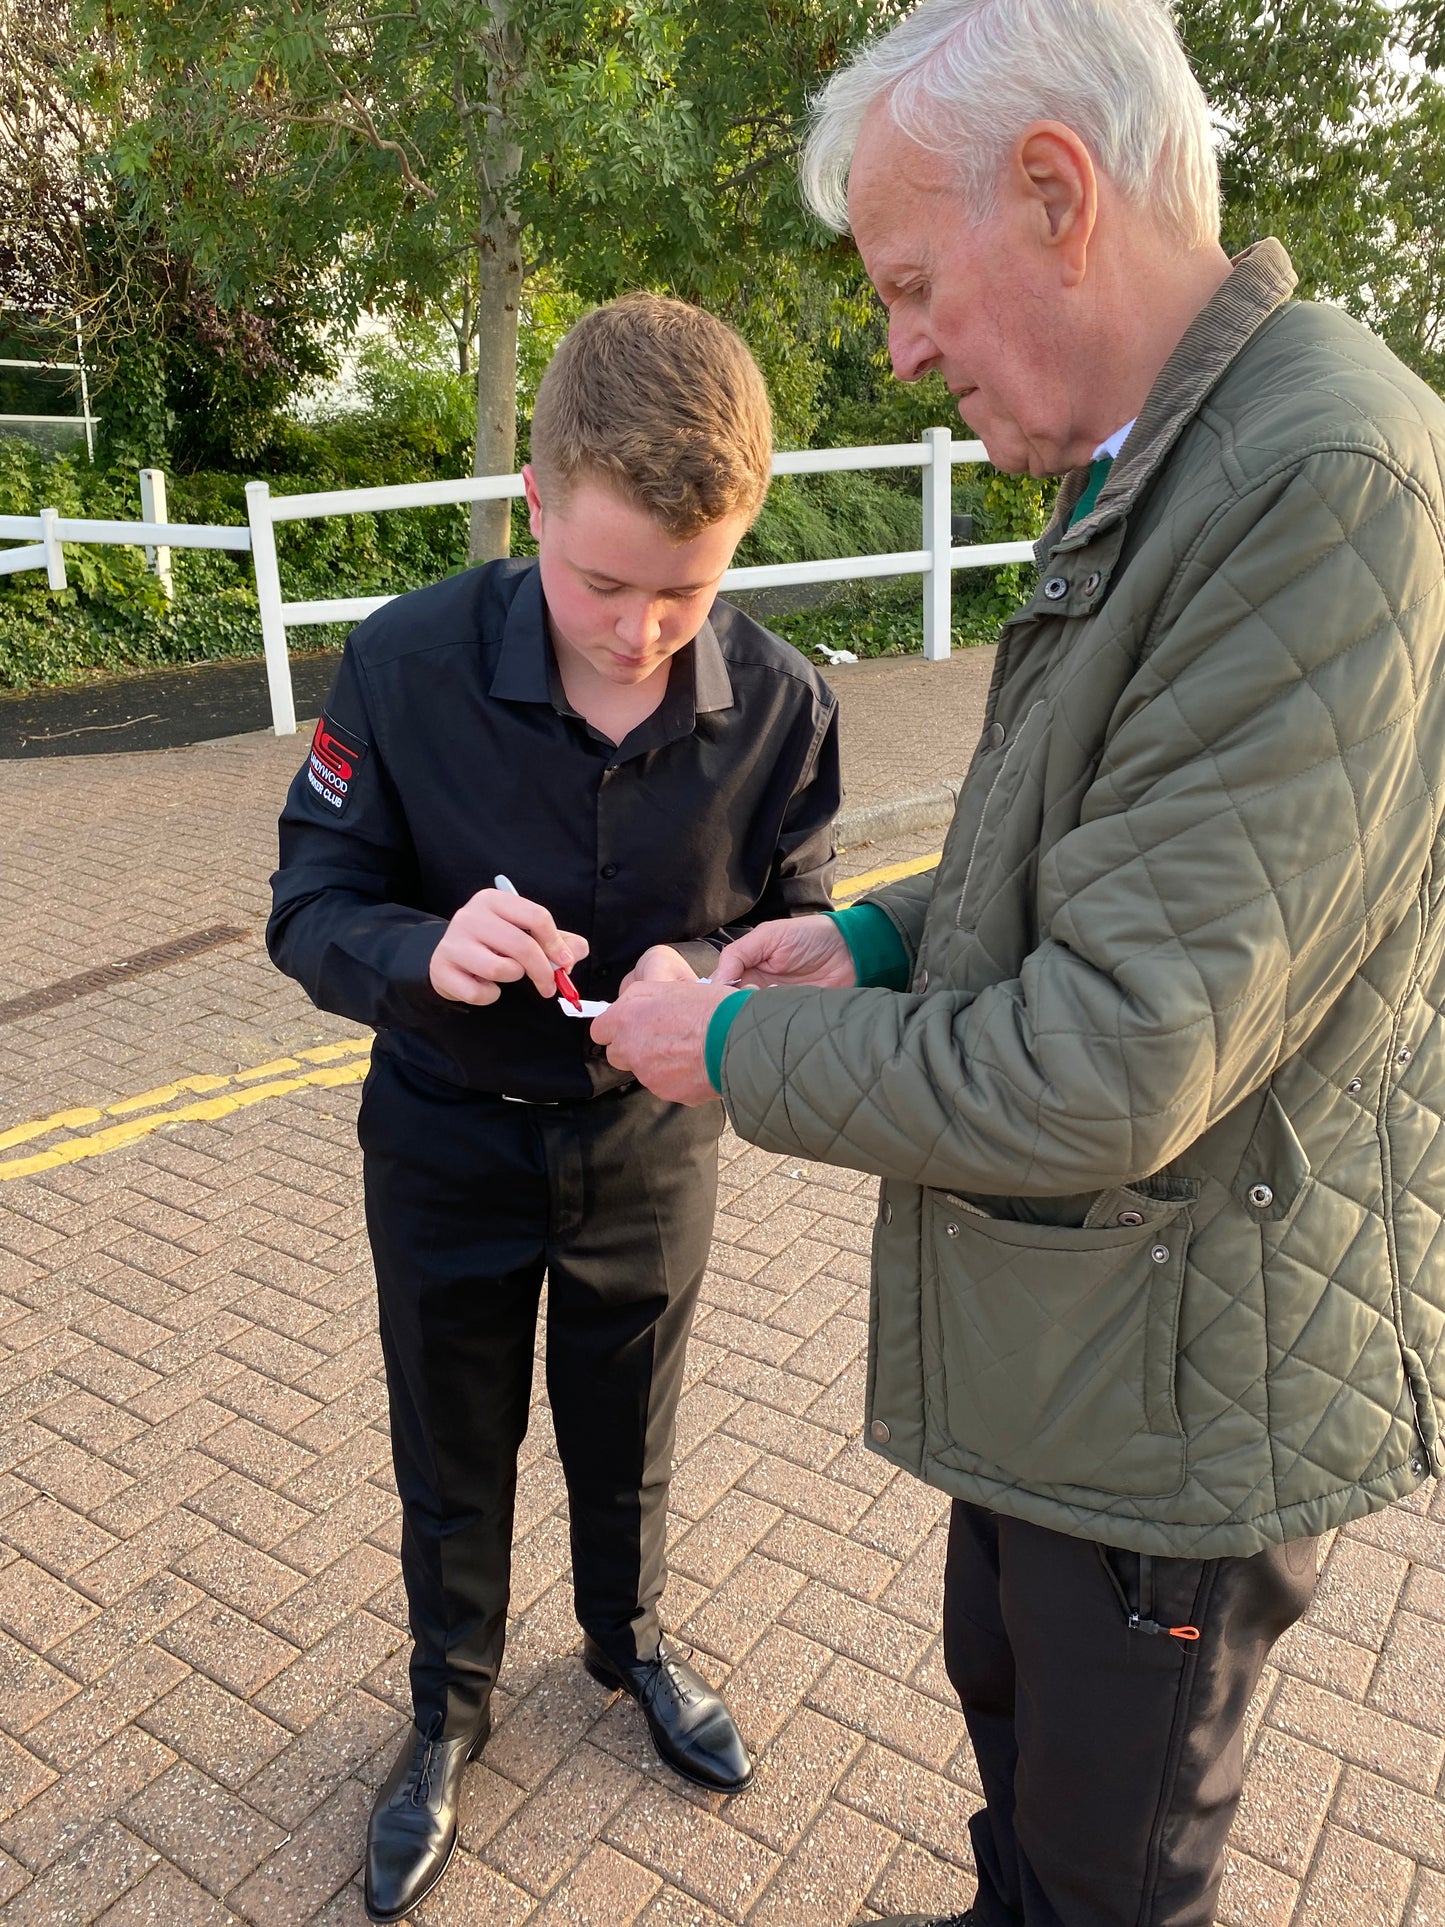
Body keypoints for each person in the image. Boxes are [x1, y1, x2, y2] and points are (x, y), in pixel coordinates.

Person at [591, 3, 1445, 1923]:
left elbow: (1103, 1062)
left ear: (1056, 195)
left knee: (1107, 1867)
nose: (897, 345)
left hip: (1172, 1375)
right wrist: (876, 938)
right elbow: (1101, 857)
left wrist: (722, 1043)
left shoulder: (1315, 485)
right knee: (1023, 1759)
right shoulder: (1186, 460)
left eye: (908, 279)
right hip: (1095, 1348)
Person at [267, 293, 840, 1925]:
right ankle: (446, 1706)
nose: (644, 628)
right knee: (451, 1441)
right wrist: (419, 947)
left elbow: (796, 924)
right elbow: (307, 905)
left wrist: (717, 971)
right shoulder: (402, 662)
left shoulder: (786, 708)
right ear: (532, 502)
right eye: (602, 581)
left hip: (649, 1148)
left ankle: (631, 1647)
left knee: (630, 1424)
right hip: (443, 1130)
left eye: (688, 586)